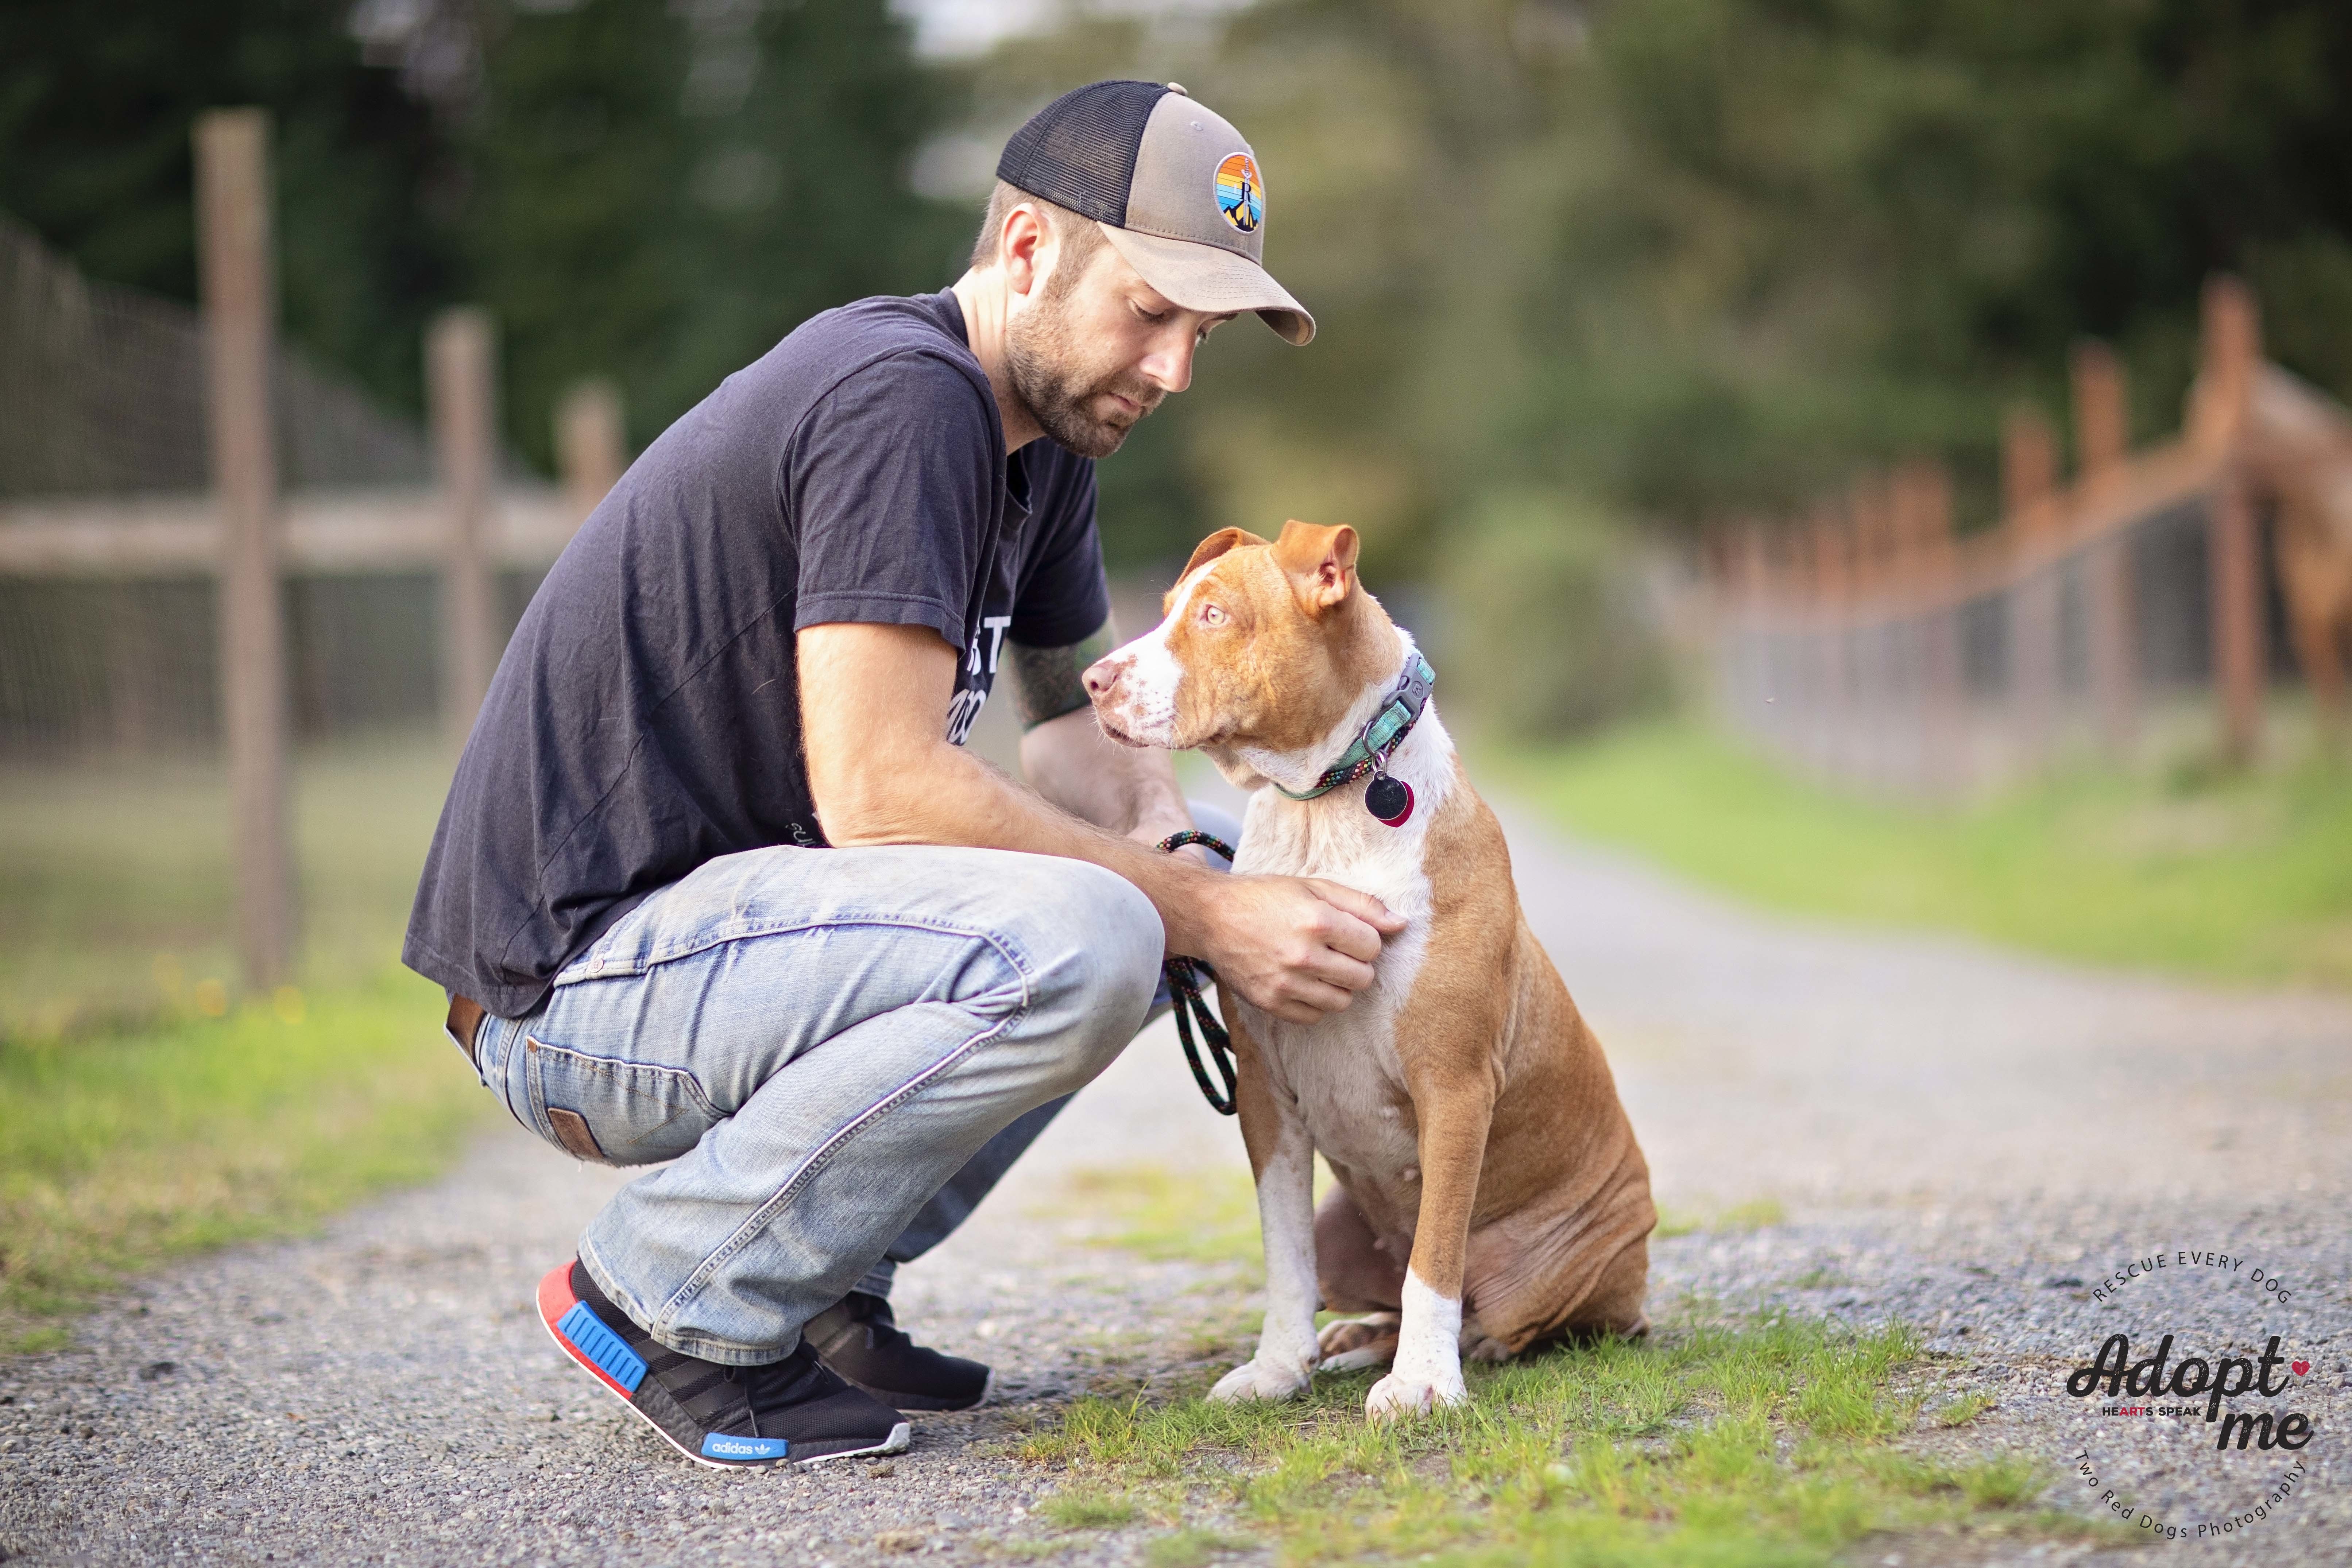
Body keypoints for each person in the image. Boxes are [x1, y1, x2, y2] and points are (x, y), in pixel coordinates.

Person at [402, 80, 1404, 1468]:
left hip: (721, 950)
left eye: (1205, 335)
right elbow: (877, 789)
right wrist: (1197, 916)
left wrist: (1190, 864)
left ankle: (820, 1291)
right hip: (573, 989)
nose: (1175, 370)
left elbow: (1072, 736)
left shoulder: (1045, 444)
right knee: (1102, 929)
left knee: (1181, 883)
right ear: (1029, 249)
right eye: (1151, 312)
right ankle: (676, 1291)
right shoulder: (906, 399)